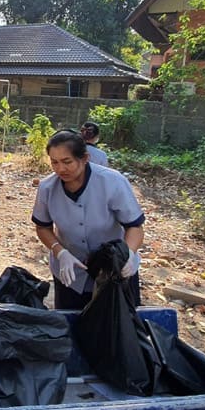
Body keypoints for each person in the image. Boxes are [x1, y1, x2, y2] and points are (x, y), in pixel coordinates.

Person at [32, 130, 145, 310]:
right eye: (54, 162)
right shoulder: (47, 188)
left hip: (113, 271)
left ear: (84, 158)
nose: (60, 169)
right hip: (71, 273)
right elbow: (42, 227)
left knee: (117, 328)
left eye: (67, 162)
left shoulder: (112, 182)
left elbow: (135, 227)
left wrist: (129, 255)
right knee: (72, 326)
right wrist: (60, 252)